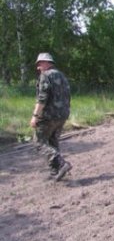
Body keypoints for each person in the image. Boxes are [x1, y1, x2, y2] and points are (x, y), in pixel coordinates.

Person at [30, 52, 72, 181]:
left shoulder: (45, 76)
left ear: (47, 63)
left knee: (38, 142)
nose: (38, 67)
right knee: (53, 142)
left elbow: (42, 99)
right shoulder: (62, 76)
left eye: (40, 63)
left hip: (49, 116)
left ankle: (61, 163)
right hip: (62, 115)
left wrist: (35, 116)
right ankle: (56, 171)